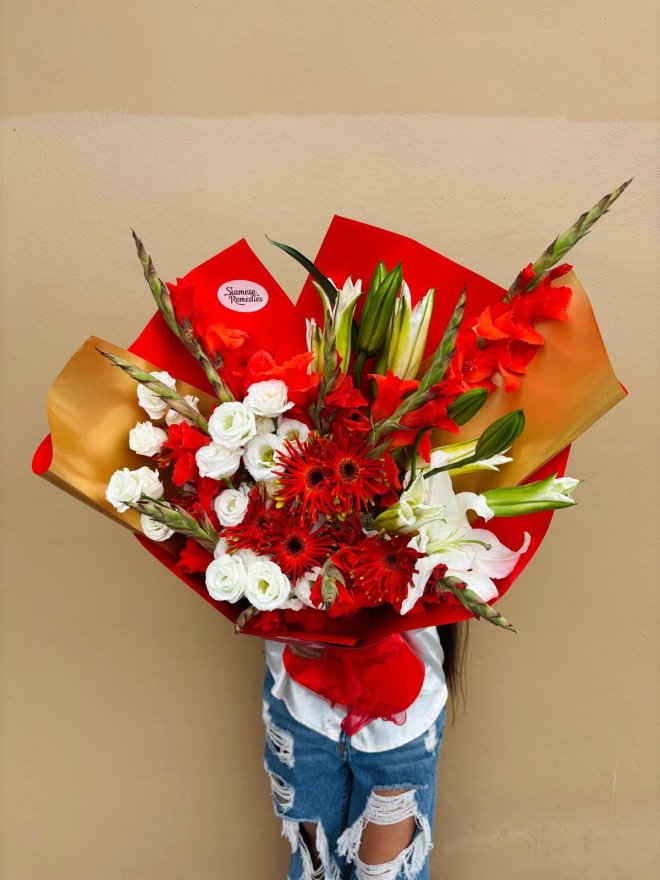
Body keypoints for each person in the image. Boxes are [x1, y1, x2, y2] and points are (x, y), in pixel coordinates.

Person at [261, 621, 468, 880]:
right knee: (313, 871)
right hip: (300, 701)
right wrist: (284, 615)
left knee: (386, 874)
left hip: (402, 715)